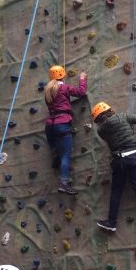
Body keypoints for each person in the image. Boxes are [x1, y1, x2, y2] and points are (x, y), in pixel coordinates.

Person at [91, 102, 136, 232]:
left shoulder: (101, 131)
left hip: (119, 161)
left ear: (99, 120)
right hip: (134, 156)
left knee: (116, 191)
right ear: (109, 110)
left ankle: (112, 222)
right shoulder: (123, 116)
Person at [45, 65, 87, 195]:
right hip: (62, 122)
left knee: (57, 151)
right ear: (62, 76)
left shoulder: (47, 91)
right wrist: (82, 78)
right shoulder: (63, 88)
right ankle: (64, 183)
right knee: (65, 155)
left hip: (50, 125)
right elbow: (81, 92)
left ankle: (56, 157)